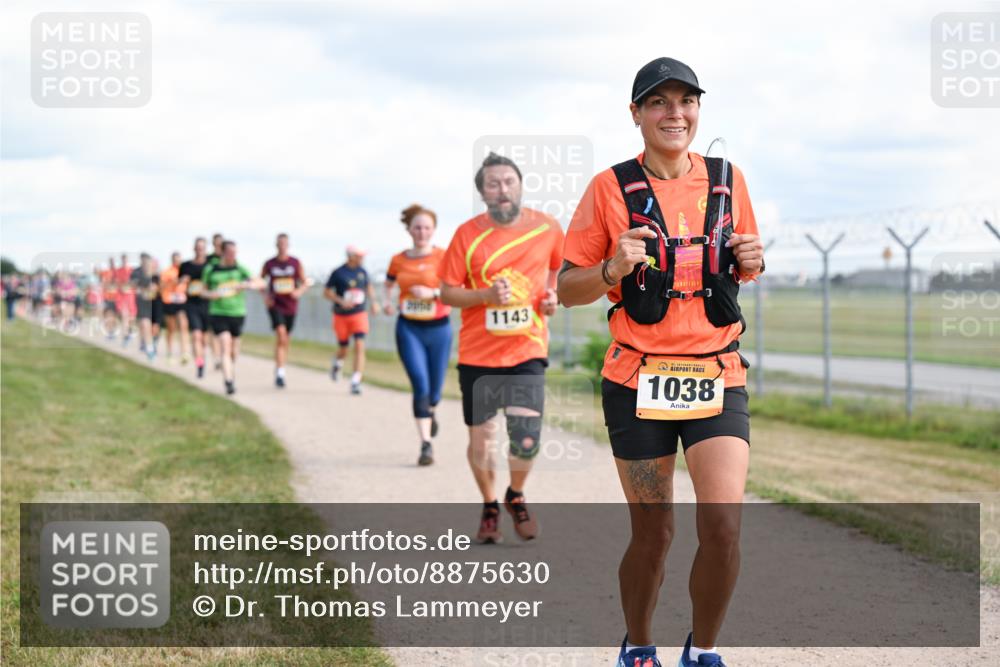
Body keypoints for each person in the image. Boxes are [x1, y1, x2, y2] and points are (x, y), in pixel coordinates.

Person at [557, 57, 765, 667]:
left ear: (698, 109)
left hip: (717, 374)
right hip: (637, 376)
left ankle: (702, 653)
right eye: (659, 102)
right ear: (636, 114)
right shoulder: (608, 188)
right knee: (655, 533)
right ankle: (639, 645)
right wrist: (611, 270)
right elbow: (568, 289)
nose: (675, 113)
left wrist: (753, 256)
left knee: (723, 527)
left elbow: (741, 270)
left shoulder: (728, 178)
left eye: (686, 101)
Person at [438, 152, 562, 544]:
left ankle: (516, 494)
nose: (502, 189)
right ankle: (491, 504)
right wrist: (486, 294)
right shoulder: (466, 235)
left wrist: (551, 295)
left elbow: (558, 268)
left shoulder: (546, 227)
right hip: (478, 354)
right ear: (483, 192)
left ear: (520, 184)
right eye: (493, 183)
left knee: (526, 437)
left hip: (527, 349)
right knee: (482, 442)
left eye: (509, 181)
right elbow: (447, 293)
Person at [384, 204, 452, 466]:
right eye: (417, 227)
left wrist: (432, 293)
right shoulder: (398, 259)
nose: (422, 232)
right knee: (420, 385)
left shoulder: (444, 257)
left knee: (435, 390)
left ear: (433, 230)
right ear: (409, 230)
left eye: (427, 228)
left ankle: (430, 412)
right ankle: (426, 444)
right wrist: (387, 301)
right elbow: (389, 284)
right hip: (409, 327)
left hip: (439, 329)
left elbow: (454, 288)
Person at [203, 240, 261, 395]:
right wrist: (211, 294)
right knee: (225, 345)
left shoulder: (239, 268)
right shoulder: (211, 269)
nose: (233, 256)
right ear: (222, 252)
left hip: (237, 312)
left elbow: (258, 282)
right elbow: (202, 291)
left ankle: (230, 371)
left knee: (234, 351)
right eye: (230, 253)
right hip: (218, 312)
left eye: (235, 253)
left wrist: (245, 285)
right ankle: (228, 381)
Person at [324, 246, 379, 395]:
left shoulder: (363, 271)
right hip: (341, 316)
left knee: (360, 345)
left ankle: (355, 381)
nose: (362, 258)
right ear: (351, 256)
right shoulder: (338, 272)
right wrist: (341, 301)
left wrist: (374, 302)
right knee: (344, 349)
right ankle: (337, 364)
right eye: (359, 256)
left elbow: (369, 287)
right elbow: (327, 292)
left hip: (359, 314)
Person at [261, 233, 309, 388]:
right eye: (280, 243)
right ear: (276, 245)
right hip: (276, 305)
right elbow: (260, 281)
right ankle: (280, 374)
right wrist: (265, 296)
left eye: (285, 243)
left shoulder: (295, 262)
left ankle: (280, 365)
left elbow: (305, 282)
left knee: (285, 339)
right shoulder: (269, 264)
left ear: (288, 245)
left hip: (291, 306)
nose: (282, 246)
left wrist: (299, 292)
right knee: (281, 335)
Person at [179, 238, 211, 378]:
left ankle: (202, 357)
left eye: (202, 248)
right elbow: (179, 281)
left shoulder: (210, 265)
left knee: (204, 339)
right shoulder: (186, 265)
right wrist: (183, 280)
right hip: (192, 304)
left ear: (205, 249)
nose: (199, 250)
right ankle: (199, 364)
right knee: (196, 335)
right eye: (197, 247)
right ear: (194, 249)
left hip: (207, 304)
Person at [159, 252, 189, 365]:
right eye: (175, 259)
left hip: (181, 301)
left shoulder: (185, 272)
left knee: (183, 325)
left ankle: (184, 352)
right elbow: (161, 287)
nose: (177, 262)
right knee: (171, 328)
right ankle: (170, 352)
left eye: (179, 259)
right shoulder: (166, 272)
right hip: (169, 300)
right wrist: (173, 282)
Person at [130, 253, 160, 361]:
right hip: (142, 302)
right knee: (144, 323)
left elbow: (155, 288)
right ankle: (149, 348)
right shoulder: (136, 272)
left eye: (148, 262)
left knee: (152, 326)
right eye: (144, 261)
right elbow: (133, 285)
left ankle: (148, 343)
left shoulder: (155, 274)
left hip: (154, 303)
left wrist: (151, 290)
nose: (146, 264)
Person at [115, 253, 136, 347]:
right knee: (124, 315)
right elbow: (116, 282)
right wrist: (121, 287)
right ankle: (125, 336)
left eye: (126, 260)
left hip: (130, 296)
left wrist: (129, 287)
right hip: (121, 296)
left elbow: (135, 283)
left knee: (131, 317)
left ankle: (130, 330)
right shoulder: (118, 271)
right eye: (123, 259)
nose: (124, 261)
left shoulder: (132, 270)